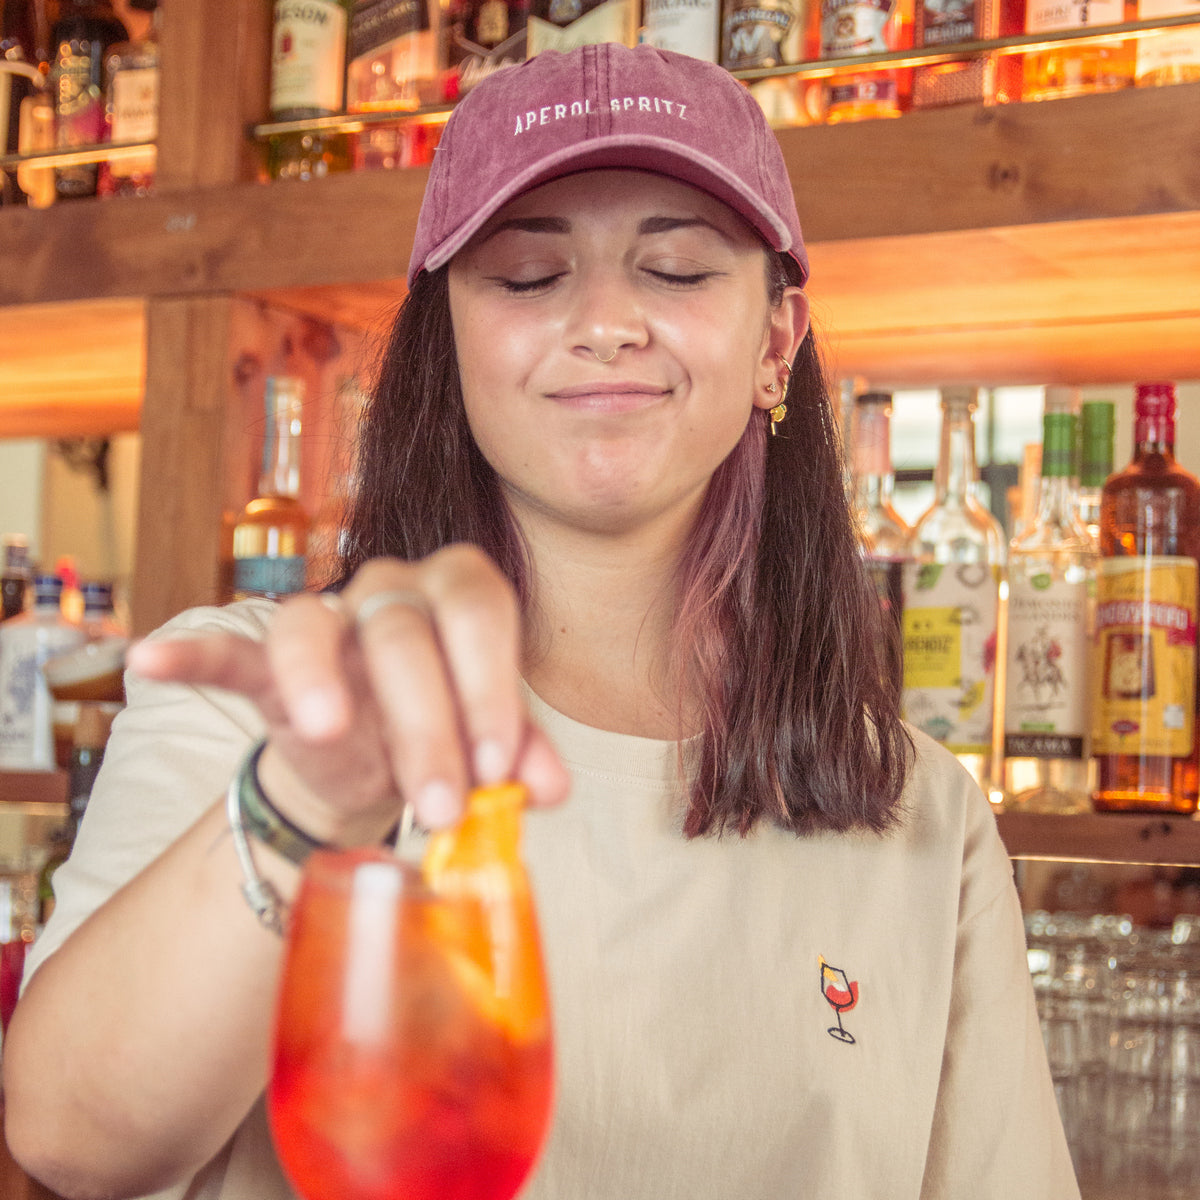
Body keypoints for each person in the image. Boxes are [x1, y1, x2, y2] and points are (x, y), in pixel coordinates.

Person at [3, 42, 1079, 1200]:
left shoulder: (919, 808)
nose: (608, 320)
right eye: (526, 277)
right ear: (448, 339)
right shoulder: (266, 696)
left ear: (776, 342)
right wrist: (306, 803)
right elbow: (68, 1137)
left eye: (674, 269)